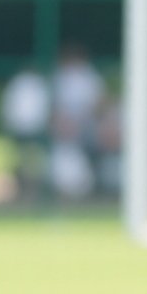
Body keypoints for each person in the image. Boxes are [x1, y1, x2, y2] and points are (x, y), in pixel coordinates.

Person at [49, 44, 104, 200]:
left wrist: (80, 123)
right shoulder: (58, 77)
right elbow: (51, 108)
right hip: (63, 129)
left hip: (87, 127)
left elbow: (99, 106)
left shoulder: (90, 77)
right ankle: (65, 185)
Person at [0, 64, 50, 201]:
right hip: (23, 129)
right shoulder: (23, 83)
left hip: (32, 129)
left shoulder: (34, 84)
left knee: (33, 162)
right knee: (23, 161)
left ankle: (33, 190)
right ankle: (22, 189)